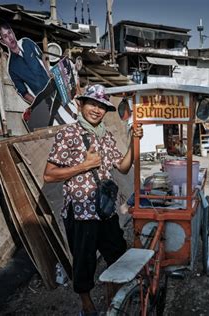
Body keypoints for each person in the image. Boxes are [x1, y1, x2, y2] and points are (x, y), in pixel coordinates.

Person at [43, 84, 143, 315]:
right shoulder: (68, 134)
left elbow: (124, 167)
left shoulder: (106, 136)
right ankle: (87, 306)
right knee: (84, 261)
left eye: (102, 106)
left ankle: (113, 298)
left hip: (105, 210)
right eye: (93, 104)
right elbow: (49, 175)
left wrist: (134, 142)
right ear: (81, 104)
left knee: (117, 255)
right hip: (80, 213)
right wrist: (85, 166)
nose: (97, 110)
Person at [0, 22, 50, 104]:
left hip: (52, 85)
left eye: (9, 33)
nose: (10, 37)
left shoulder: (27, 42)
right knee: (55, 115)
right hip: (43, 99)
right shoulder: (12, 68)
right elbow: (23, 92)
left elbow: (42, 57)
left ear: (12, 32)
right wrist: (37, 102)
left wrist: (49, 73)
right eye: (5, 36)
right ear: (2, 41)